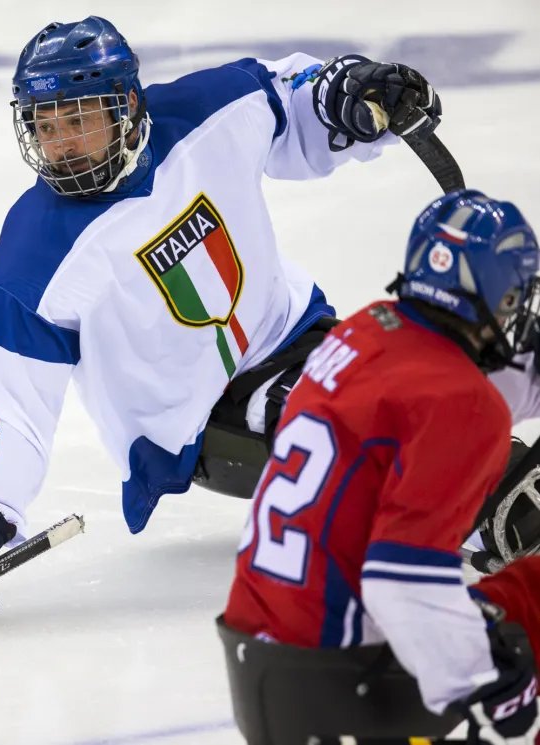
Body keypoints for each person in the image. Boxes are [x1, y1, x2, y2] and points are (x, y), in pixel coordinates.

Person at [0, 15, 447, 626]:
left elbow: (293, 97)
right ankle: (492, 510)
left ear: (128, 108)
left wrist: (350, 97)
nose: (59, 143)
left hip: (293, 334)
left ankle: (486, 481)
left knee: (425, 386)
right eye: (45, 124)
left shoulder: (208, 111)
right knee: (368, 428)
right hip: (200, 421)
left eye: (79, 120)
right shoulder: (33, 258)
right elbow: (10, 408)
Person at [221, 189, 540, 745]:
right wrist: (488, 686)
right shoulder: (467, 406)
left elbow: (446, 381)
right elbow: (402, 581)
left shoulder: (367, 330)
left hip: (262, 658)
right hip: (346, 687)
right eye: (515, 298)